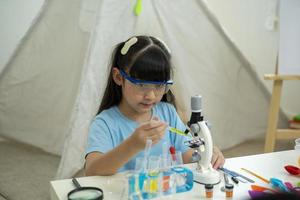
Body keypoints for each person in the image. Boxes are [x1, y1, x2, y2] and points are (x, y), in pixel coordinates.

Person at [85, 35, 225, 176]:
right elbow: (92, 171)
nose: (151, 96)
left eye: (159, 86)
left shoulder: (167, 113)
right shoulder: (104, 124)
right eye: (142, 84)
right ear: (118, 77)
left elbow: (188, 155)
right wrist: (132, 145)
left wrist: (207, 154)